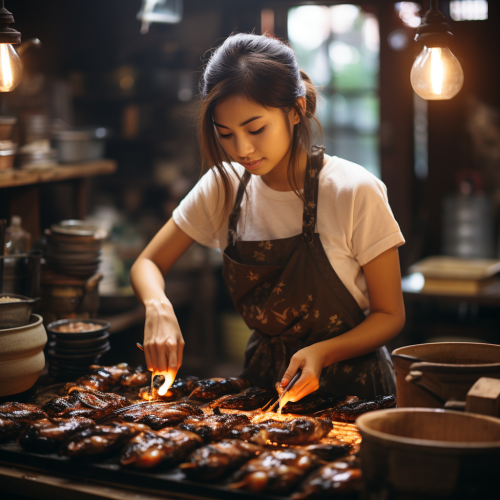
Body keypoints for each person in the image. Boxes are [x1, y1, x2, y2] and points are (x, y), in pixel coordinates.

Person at [130, 33, 405, 404]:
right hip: (263, 388)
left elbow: (390, 315)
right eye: (225, 134)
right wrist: (158, 307)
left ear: (296, 109)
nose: (242, 149)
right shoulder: (222, 187)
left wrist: (322, 352)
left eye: (256, 129)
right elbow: (148, 262)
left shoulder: (353, 190)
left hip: (354, 392)